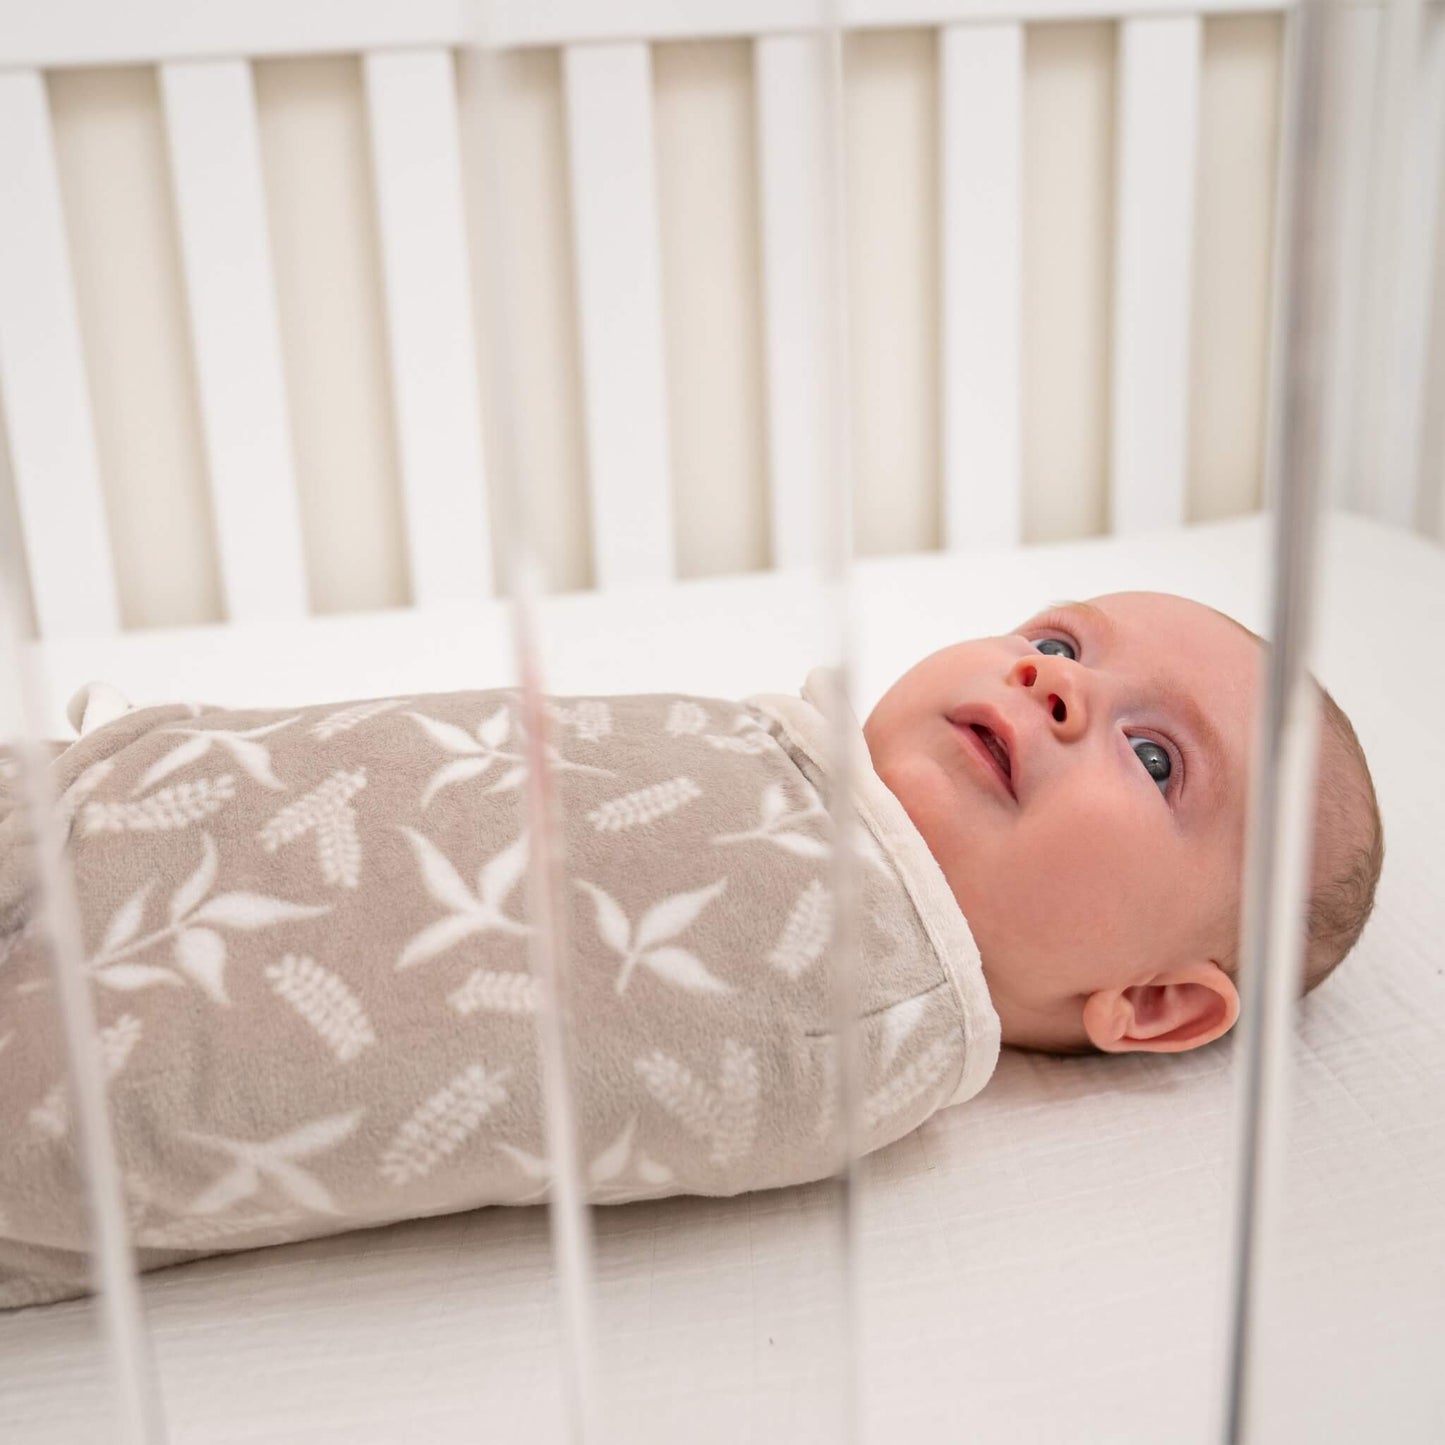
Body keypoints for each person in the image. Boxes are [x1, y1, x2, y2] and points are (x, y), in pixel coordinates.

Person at [0, 591, 1382, 1308]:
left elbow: (428, 1045)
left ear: (1146, 1000)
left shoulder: (865, 1002)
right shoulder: (789, 744)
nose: (1051, 678)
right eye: (1057, 633)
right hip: (112, 793)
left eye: (1153, 753)